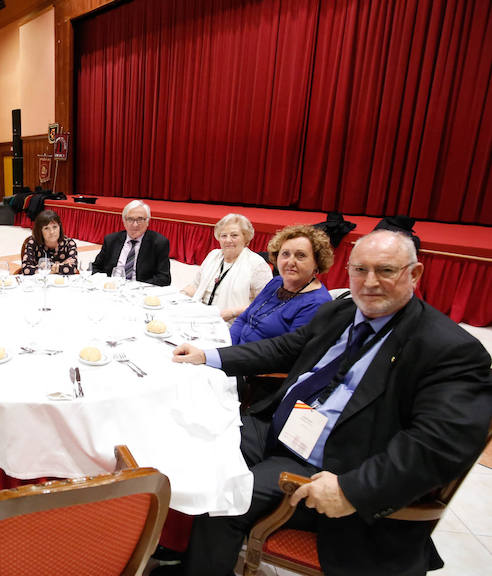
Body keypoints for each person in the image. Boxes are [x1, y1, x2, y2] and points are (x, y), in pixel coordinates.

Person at [164, 230, 492, 576]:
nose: (370, 282)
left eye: (386, 270)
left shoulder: (450, 349)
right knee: (197, 448)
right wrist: (209, 355)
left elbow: (438, 445)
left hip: (330, 462)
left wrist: (353, 489)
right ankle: (174, 549)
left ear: (414, 274)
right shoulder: (342, 311)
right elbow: (283, 349)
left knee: (229, 498)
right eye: (360, 270)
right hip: (279, 429)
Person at [230, 224, 333, 346]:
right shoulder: (277, 282)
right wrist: (226, 348)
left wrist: (228, 357)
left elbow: (286, 352)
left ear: (317, 262)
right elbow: (243, 318)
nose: (290, 262)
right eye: (285, 254)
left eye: (301, 256)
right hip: (234, 352)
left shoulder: (316, 303)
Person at [181, 214, 273, 322]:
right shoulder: (213, 256)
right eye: (223, 236)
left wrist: (232, 313)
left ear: (246, 238)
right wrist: (181, 294)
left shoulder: (257, 265)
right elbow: (196, 286)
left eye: (234, 235)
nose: (228, 240)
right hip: (201, 315)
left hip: (230, 323)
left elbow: (265, 303)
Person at [91, 200, 171, 285]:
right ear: (124, 222)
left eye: (140, 219)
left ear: (147, 222)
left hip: (140, 292)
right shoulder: (111, 240)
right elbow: (96, 267)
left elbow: (164, 278)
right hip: (112, 288)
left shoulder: (159, 243)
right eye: (130, 219)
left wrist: (135, 287)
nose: (135, 224)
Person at [20, 210, 78, 275]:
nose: (52, 232)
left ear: (60, 227)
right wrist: (61, 265)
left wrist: (43, 268)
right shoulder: (32, 243)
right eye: (46, 228)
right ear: (40, 230)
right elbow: (26, 270)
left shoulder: (69, 243)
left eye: (55, 227)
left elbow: (73, 269)